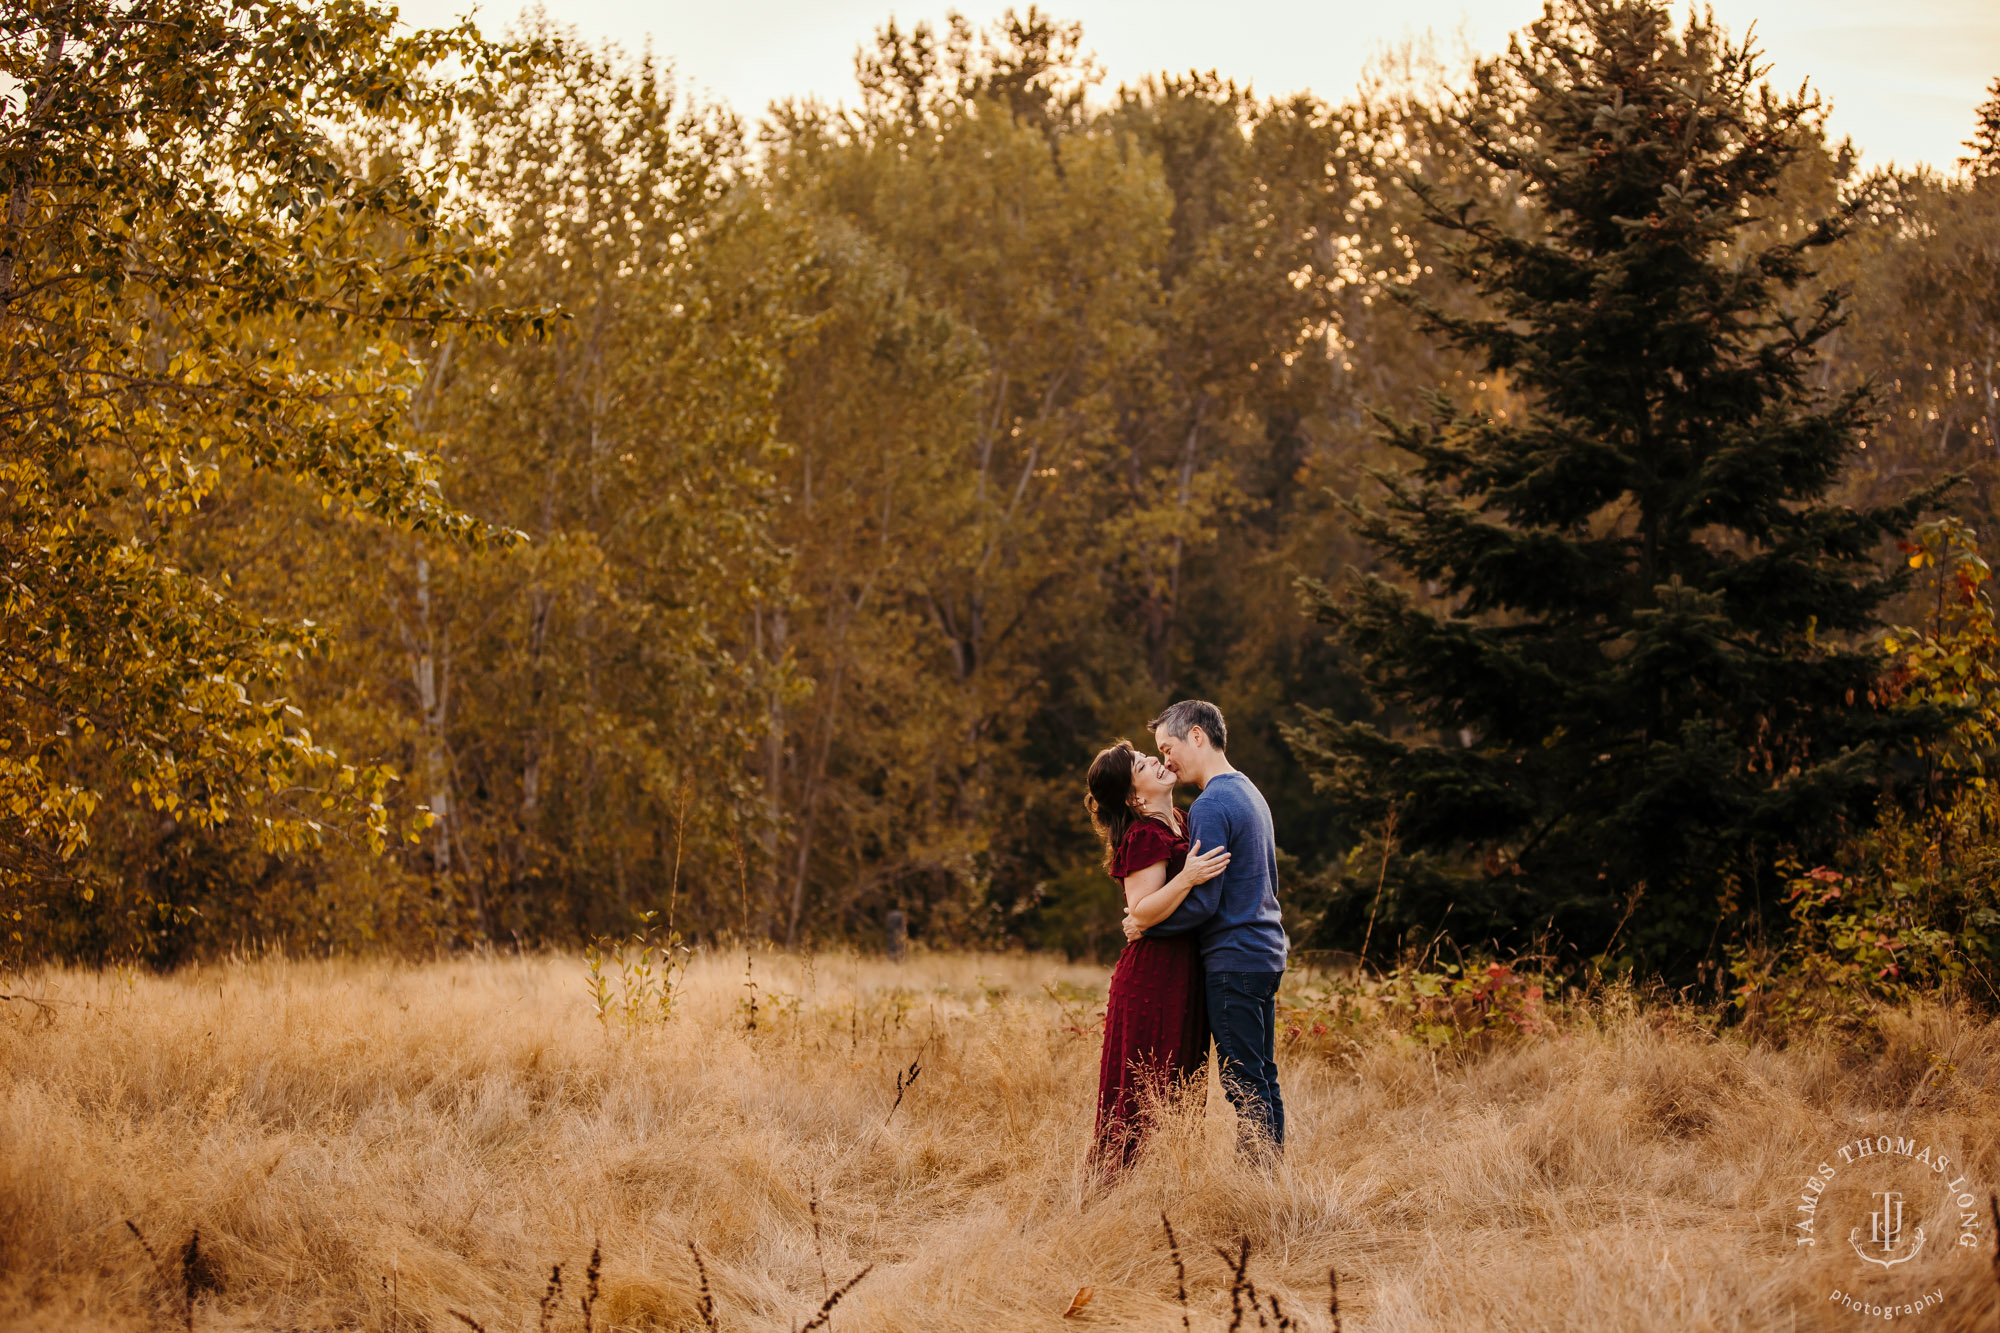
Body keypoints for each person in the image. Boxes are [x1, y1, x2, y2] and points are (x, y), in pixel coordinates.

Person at [1126, 699, 1289, 1157]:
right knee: (1262, 1074)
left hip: (1234, 959)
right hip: (1265, 953)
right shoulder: (1249, 791)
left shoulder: (1211, 804)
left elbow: (1203, 902)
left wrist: (1146, 928)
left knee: (1243, 1081)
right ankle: (1272, 1181)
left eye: (1167, 746)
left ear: (1196, 736)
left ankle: (1258, 1186)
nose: (1165, 759)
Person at [1083, 739, 1231, 1176]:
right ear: (1134, 797)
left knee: (1180, 1081)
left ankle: (1168, 1183)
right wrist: (1186, 878)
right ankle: (1122, 1192)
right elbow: (1142, 908)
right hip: (1153, 977)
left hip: (1183, 972)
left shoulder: (1181, 822)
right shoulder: (1145, 834)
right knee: (1147, 1084)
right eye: (1141, 764)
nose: (1155, 760)